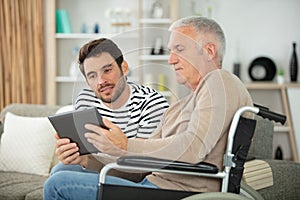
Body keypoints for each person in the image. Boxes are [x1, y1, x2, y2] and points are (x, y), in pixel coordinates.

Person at [44, 16, 253, 199]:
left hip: (179, 192)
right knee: (64, 167)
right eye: (170, 51)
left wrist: (126, 145)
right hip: (152, 184)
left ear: (208, 51)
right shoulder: (178, 107)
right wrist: (86, 161)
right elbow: (139, 167)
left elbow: (194, 148)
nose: (170, 60)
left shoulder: (220, 81)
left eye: (179, 49)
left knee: (58, 184)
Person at [48, 38, 169, 179]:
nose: (101, 81)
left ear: (124, 68)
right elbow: (86, 155)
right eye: (92, 76)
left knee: (58, 179)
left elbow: (143, 170)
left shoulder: (152, 103)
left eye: (107, 70)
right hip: (98, 173)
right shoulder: (85, 100)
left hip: (133, 182)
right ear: (87, 82)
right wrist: (73, 155)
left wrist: (91, 161)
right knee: (60, 170)